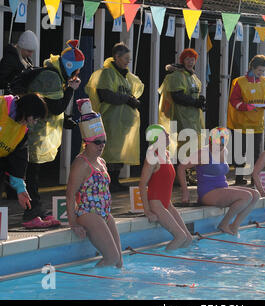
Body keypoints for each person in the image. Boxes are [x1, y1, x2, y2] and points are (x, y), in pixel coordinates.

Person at [11, 40, 84, 228]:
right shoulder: (51, 77)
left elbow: (50, 107)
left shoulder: (54, 75)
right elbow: (56, 106)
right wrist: (71, 90)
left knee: (32, 174)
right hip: (31, 132)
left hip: (33, 131)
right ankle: (31, 215)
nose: (76, 74)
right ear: (70, 66)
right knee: (30, 175)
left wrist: (65, 119)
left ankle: (37, 211)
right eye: (76, 70)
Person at [66, 99, 122, 268]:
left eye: (103, 141)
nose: (101, 145)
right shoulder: (81, 164)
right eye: (97, 142)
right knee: (111, 258)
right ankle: (93, 284)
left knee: (119, 261)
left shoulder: (102, 162)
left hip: (105, 213)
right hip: (88, 213)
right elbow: (69, 195)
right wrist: (73, 223)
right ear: (86, 143)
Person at [178, 127, 260, 235]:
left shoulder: (224, 151)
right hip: (207, 192)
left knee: (255, 195)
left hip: (222, 189)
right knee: (246, 196)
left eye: (222, 144)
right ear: (211, 141)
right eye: (217, 144)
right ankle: (224, 224)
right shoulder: (203, 153)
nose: (220, 147)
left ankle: (234, 226)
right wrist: (185, 191)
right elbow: (181, 168)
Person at [85, 42, 144, 192]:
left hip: (122, 122)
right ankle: (107, 180)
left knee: (119, 152)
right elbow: (106, 94)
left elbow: (127, 94)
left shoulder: (125, 76)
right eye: (126, 58)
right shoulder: (107, 73)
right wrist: (126, 99)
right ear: (117, 57)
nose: (128, 61)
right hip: (111, 120)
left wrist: (132, 100)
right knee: (109, 152)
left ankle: (115, 180)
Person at [139, 124, 192, 251]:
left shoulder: (167, 154)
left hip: (167, 203)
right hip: (156, 203)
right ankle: (166, 261)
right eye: (165, 134)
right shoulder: (152, 156)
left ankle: (179, 265)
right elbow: (142, 185)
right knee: (180, 237)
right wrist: (147, 210)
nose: (168, 136)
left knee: (188, 238)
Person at [158, 48, 206, 185]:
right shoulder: (177, 76)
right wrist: (194, 102)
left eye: (193, 59)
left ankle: (187, 175)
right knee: (182, 146)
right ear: (182, 61)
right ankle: (180, 177)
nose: (190, 62)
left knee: (192, 147)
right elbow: (177, 96)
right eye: (187, 59)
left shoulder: (193, 77)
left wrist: (199, 101)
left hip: (193, 118)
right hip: (181, 117)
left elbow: (192, 94)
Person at [227, 54, 265, 185]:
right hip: (241, 123)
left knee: (255, 154)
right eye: (259, 70)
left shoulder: (264, 82)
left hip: (257, 123)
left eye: (263, 71)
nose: (261, 73)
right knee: (240, 153)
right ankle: (239, 179)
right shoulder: (239, 82)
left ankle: (254, 179)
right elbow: (233, 100)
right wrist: (246, 106)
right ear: (252, 67)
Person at [0, 94, 47, 217]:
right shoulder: (1, 106)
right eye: (34, 118)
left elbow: (19, 160)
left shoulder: (22, 130)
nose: (33, 122)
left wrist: (21, 189)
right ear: (27, 110)